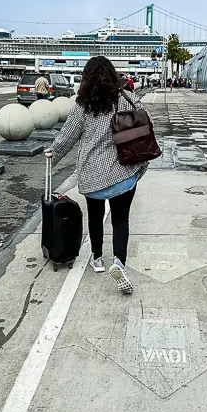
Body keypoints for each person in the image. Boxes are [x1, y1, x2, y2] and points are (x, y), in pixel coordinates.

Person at [45, 56, 149, 295]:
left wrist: (54, 154)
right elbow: (145, 121)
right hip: (123, 172)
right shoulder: (126, 99)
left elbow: (67, 137)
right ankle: (119, 262)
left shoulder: (83, 105)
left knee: (95, 217)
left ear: (87, 77)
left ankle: (98, 259)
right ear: (113, 75)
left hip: (93, 175)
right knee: (121, 220)